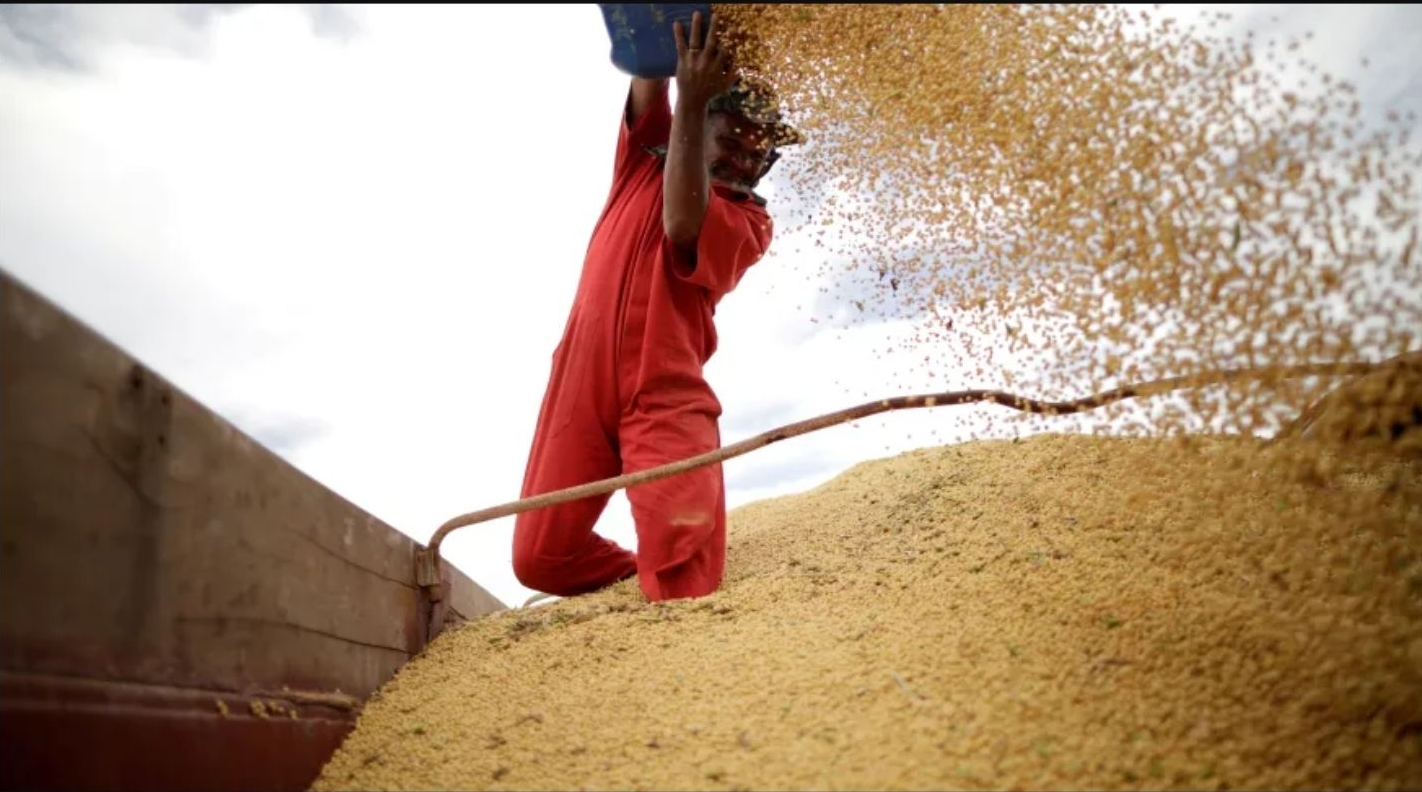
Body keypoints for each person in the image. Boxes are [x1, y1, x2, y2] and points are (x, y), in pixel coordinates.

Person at [511, 11, 801, 601]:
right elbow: (649, 70)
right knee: (540, 559)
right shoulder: (644, 160)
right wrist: (675, 43)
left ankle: (669, 594)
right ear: (700, 124)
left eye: (761, 149)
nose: (748, 156)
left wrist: (695, 103)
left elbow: (681, 221)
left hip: (663, 391)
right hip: (579, 381)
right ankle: (638, 578)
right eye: (737, 135)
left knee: (684, 581)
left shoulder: (751, 221)